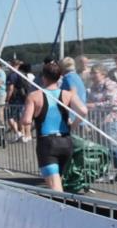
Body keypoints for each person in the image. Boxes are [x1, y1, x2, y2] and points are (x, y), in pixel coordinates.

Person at [21, 61, 88, 192]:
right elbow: (83, 111)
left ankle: (62, 205)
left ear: (43, 77)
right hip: (66, 143)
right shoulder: (68, 95)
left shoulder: (34, 96)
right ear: (59, 77)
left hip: (47, 144)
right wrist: (73, 126)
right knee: (58, 183)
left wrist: (24, 118)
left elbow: (27, 121)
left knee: (55, 188)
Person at [88, 65, 117, 184]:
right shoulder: (93, 86)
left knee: (113, 147)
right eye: (91, 73)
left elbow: (112, 102)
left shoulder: (111, 84)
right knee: (102, 148)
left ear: (103, 73)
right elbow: (90, 100)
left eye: (95, 73)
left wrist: (94, 105)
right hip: (98, 121)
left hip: (111, 120)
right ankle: (104, 172)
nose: (92, 75)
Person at [60, 57, 87, 127]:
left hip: (72, 119)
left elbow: (73, 92)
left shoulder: (68, 77)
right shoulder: (76, 77)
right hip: (79, 117)